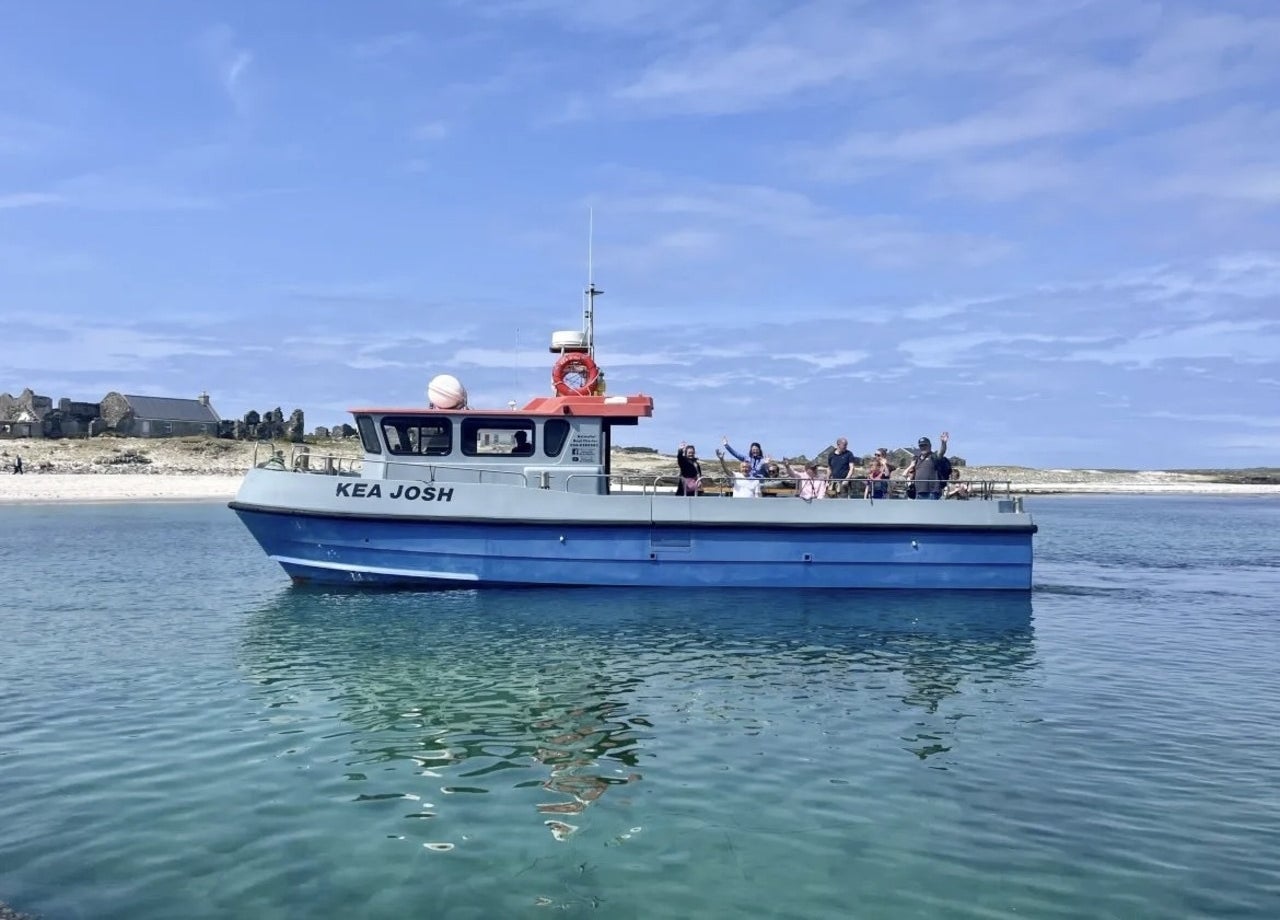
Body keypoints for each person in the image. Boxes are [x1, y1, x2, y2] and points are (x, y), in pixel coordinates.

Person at [904, 432, 949, 500]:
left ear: (930, 446)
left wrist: (943, 443)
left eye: (925, 445)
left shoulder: (934, 456)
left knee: (930, 510)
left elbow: (941, 452)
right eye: (921, 446)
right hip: (918, 492)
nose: (923, 447)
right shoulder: (916, 459)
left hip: (932, 492)